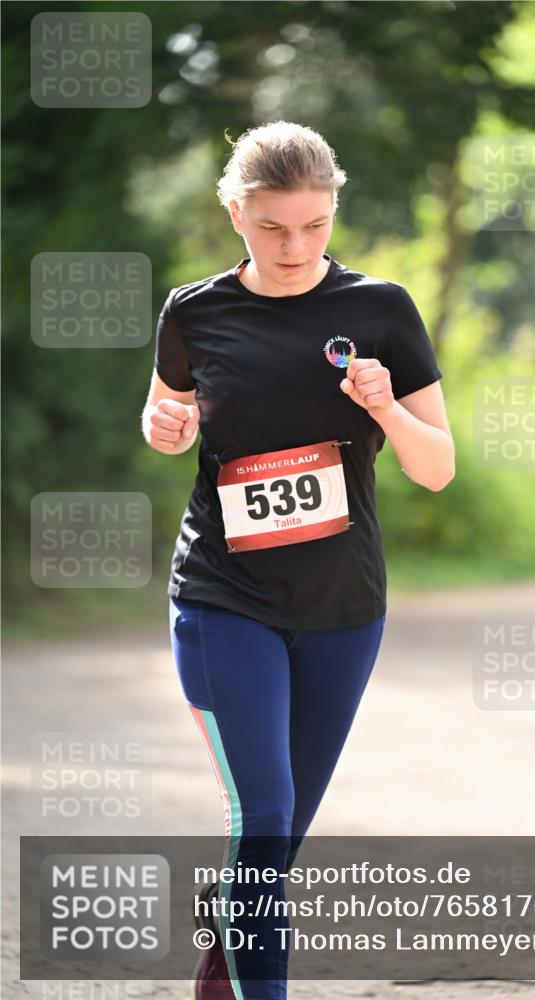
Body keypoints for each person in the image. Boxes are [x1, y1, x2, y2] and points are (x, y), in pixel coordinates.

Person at [142, 120, 455, 1000]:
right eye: (273, 226)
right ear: (235, 212)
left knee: (279, 836)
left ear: (333, 211)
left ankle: (226, 943)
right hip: (222, 593)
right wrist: (163, 428)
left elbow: (436, 468)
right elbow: (167, 420)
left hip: (343, 606)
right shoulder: (194, 311)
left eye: (315, 225)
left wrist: (387, 407)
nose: (295, 246)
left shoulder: (380, 309)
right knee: (265, 816)